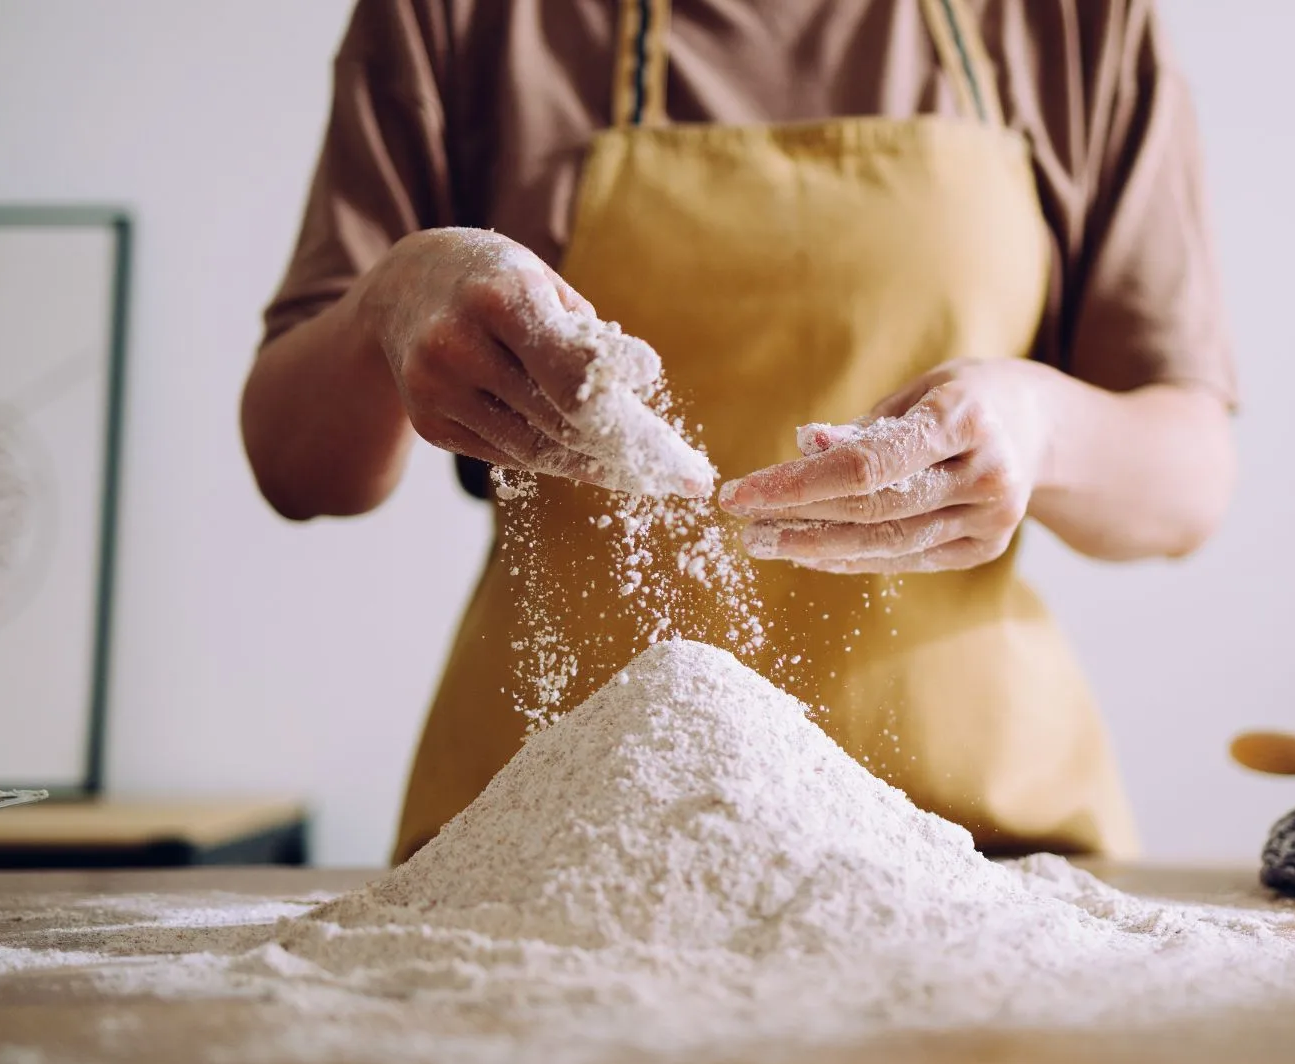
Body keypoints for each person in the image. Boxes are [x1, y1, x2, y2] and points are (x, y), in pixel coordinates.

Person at [242, 0, 1237, 863]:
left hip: (977, 844)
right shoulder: (459, 18)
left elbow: (1190, 477)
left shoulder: (1067, 21)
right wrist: (394, 299)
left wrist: (1039, 428)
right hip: (552, 845)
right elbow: (296, 466)